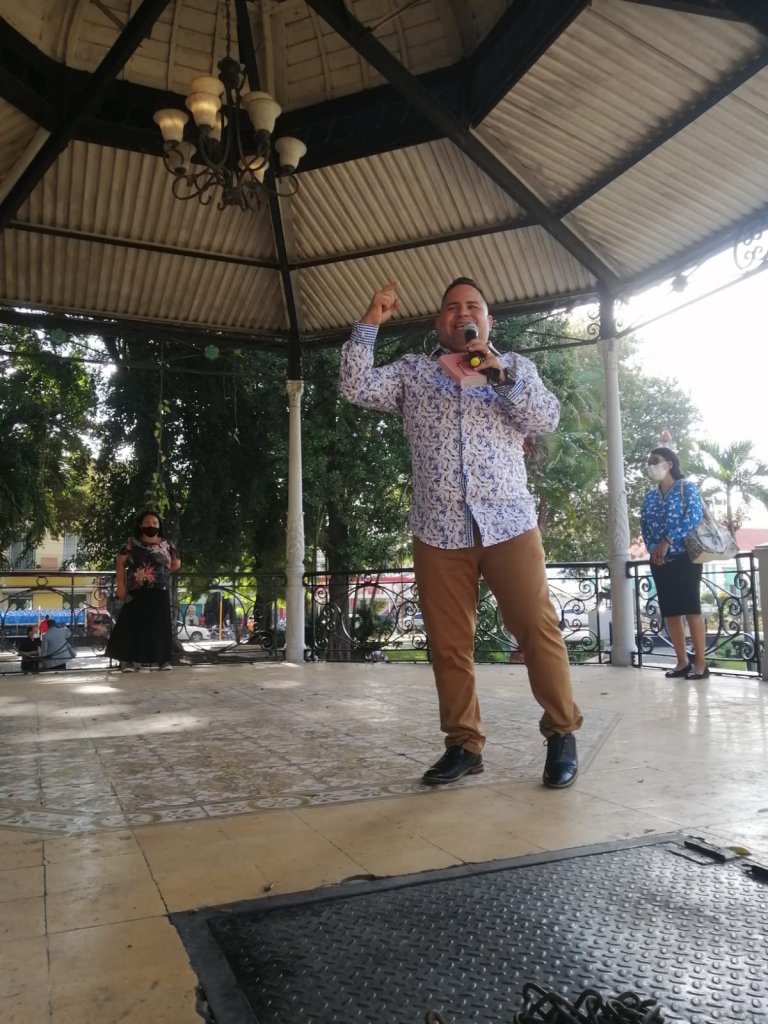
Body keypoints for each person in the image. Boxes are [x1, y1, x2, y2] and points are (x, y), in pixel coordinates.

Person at [340, 278, 583, 788]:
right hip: (439, 529)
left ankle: (562, 733)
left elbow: (545, 417)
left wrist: (500, 375)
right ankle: (463, 744)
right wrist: (370, 323)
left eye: (473, 306)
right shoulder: (413, 372)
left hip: (509, 524)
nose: (463, 313)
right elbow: (355, 386)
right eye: (453, 307)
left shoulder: (514, 367)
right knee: (449, 645)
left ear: (488, 321)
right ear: (439, 322)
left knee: (537, 630)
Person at [640, 446, 708, 679]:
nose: (651, 465)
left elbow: (694, 517)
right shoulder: (650, 496)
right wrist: (654, 549)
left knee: (691, 608)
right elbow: (644, 525)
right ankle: (682, 662)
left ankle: (701, 663)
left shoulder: (686, 488)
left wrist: (668, 540)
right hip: (659, 560)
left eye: (655, 460)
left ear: (669, 464)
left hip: (685, 557)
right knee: (670, 611)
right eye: (649, 462)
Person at [106, 511, 181, 672]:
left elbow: (176, 563)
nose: (151, 526)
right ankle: (127, 661)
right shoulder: (131, 543)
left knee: (159, 626)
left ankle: (162, 660)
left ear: (159, 525)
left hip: (160, 590)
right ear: (140, 525)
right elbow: (120, 563)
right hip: (136, 590)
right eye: (147, 523)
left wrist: (162, 571)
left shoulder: (167, 543)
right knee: (131, 624)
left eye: (155, 523)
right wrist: (121, 586)